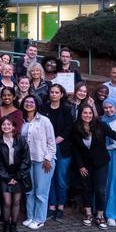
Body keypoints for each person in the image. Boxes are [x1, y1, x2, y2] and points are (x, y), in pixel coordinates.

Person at [19, 95, 55, 230]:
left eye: (31, 102)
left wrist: (48, 158)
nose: (29, 104)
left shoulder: (44, 121)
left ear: (36, 104)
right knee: (29, 191)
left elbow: (51, 142)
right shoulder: (22, 121)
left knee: (41, 192)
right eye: (26, 101)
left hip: (43, 161)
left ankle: (39, 218)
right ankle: (30, 216)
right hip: (28, 161)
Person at [0, 117, 31, 232]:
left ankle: (13, 226)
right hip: (5, 175)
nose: (6, 127)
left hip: (19, 175)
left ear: (13, 127)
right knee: (7, 202)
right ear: (1, 127)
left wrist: (19, 177)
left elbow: (26, 159)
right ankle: (6, 225)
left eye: (9, 124)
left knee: (16, 202)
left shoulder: (20, 140)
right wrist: (6, 178)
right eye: (3, 125)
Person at [40, 84, 72, 222]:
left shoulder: (66, 109)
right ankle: (51, 206)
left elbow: (68, 129)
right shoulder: (43, 108)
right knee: (49, 178)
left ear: (61, 94)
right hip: (46, 148)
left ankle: (60, 207)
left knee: (61, 179)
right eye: (52, 92)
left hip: (61, 148)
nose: (53, 94)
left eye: (56, 92)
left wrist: (54, 142)